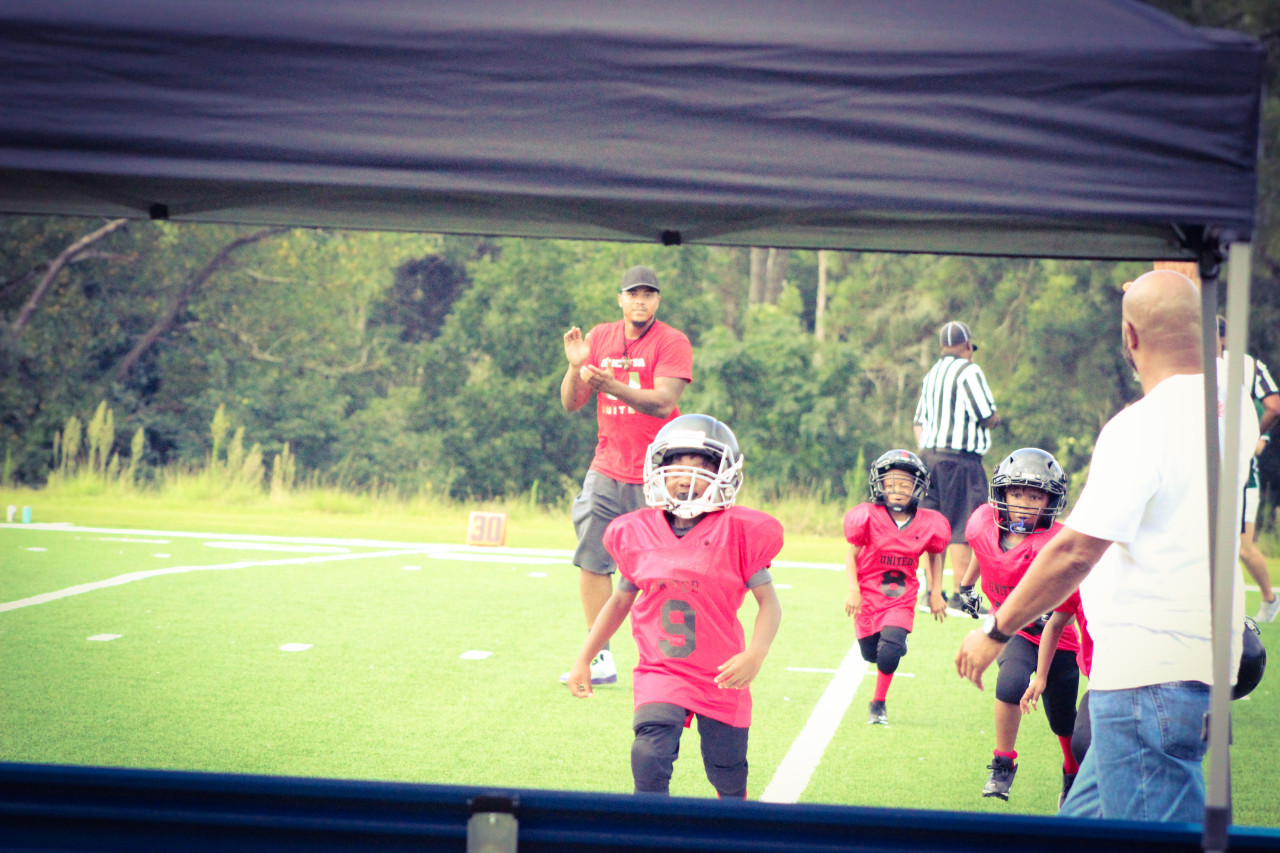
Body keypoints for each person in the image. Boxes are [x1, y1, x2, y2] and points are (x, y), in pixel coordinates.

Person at [955, 269, 1257, 822]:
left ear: (1130, 338)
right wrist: (1168, 291)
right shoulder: (1235, 403)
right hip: (1198, 669)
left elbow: (1075, 552)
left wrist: (996, 630)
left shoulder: (1139, 428)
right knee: (1079, 828)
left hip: (1147, 681)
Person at [566, 414, 783, 799]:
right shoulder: (637, 531)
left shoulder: (740, 531)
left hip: (721, 674)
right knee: (648, 759)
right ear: (658, 470)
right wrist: (585, 657)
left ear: (726, 473)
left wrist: (756, 654)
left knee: (727, 774)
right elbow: (619, 602)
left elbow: (769, 603)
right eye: (678, 465)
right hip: (662, 669)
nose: (687, 476)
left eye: (701, 466)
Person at [561, 265, 693, 685]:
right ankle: (599, 658)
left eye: (648, 294)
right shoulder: (600, 336)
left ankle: (673, 656)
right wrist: (574, 367)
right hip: (606, 466)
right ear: (620, 298)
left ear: (657, 301)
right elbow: (572, 402)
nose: (640, 300)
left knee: (665, 568)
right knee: (591, 555)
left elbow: (663, 402)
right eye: (633, 293)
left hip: (658, 473)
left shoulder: (672, 341)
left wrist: (613, 384)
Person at [954, 448, 1078, 804]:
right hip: (1014, 631)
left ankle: (1071, 769)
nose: (1023, 503)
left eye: (1035, 495)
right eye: (1017, 493)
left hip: (1056, 635)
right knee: (1009, 684)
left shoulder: (1055, 544)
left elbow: (1059, 615)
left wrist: (1040, 676)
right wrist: (966, 584)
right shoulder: (983, 523)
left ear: (1050, 501)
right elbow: (985, 551)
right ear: (1002, 494)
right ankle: (1002, 763)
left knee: (1061, 718)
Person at [843, 449, 950, 726]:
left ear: (918, 487)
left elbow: (934, 554)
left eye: (905, 483)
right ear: (879, 484)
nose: (898, 489)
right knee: (871, 653)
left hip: (901, 598)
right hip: (868, 596)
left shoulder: (929, 522)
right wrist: (853, 589)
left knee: (889, 652)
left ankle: (878, 703)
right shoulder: (868, 516)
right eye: (891, 483)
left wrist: (936, 591)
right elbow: (851, 555)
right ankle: (894, 643)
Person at [913, 320, 1001, 606]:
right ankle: (961, 596)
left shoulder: (931, 375)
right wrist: (996, 419)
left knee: (933, 525)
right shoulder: (969, 370)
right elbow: (987, 414)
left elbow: (918, 421)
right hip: (961, 459)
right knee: (964, 526)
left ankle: (932, 593)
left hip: (929, 456)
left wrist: (926, 449)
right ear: (966, 347)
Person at [1217, 315, 1280, 622]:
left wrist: (1257, 435)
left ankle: (1269, 599)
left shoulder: (1244, 364)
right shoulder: (1243, 363)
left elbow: (1274, 404)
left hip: (1239, 470)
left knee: (1241, 546)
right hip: (1219, 465)